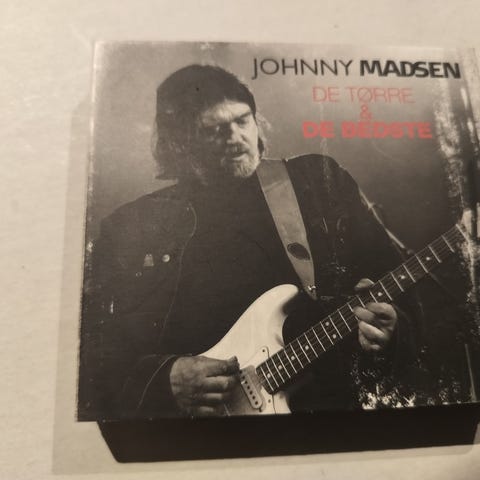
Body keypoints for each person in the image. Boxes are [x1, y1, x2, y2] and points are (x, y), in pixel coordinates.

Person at [78, 64, 415, 421]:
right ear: (179, 143)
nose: (235, 137)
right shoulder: (132, 225)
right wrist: (164, 379)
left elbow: (404, 292)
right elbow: (90, 352)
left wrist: (391, 330)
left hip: (333, 415)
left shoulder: (316, 183)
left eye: (243, 120)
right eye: (214, 130)